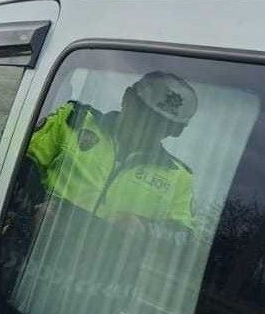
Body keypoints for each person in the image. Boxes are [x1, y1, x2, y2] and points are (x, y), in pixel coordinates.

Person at [25, 71, 199, 230]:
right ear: (127, 99)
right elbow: (15, 173)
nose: (146, 125)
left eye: (159, 123)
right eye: (142, 112)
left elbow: (186, 241)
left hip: (108, 263)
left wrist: (146, 229)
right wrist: (36, 206)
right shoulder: (73, 120)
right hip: (35, 249)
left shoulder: (179, 178)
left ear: (175, 131)